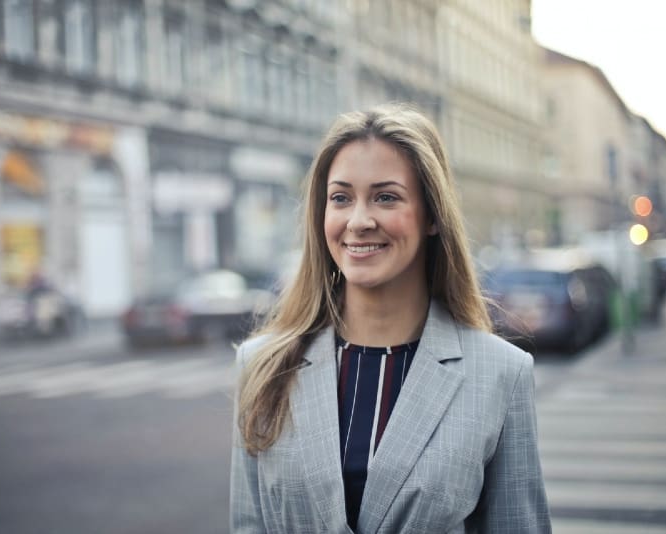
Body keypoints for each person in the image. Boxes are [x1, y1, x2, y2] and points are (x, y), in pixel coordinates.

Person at [230, 104, 551, 533]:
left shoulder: (501, 374)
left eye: (386, 197)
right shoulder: (262, 366)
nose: (359, 221)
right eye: (341, 198)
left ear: (433, 216)